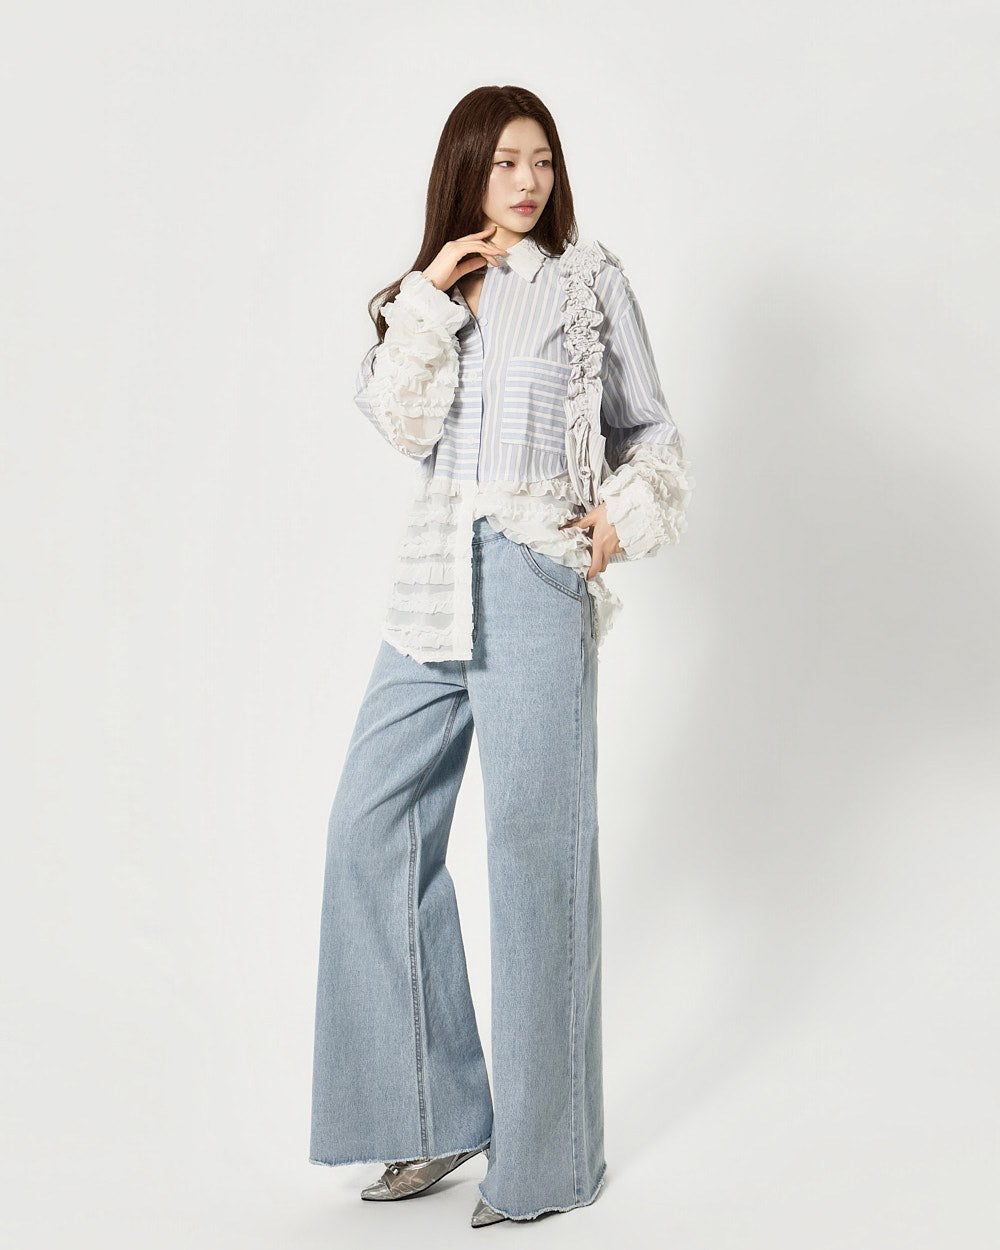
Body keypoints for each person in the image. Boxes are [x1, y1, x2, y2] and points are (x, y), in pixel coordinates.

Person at [309, 85, 694, 1229]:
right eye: (504, 162)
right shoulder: (439, 292)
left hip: (533, 569)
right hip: (433, 573)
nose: (526, 181)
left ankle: (551, 1158)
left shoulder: (588, 281)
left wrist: (623, 518)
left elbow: (651, 429)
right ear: (467, 172)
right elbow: (402, 425)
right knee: (370, 826)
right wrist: (430, 293)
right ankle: (430, 1114)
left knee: (534, 855)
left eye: (542, 160)